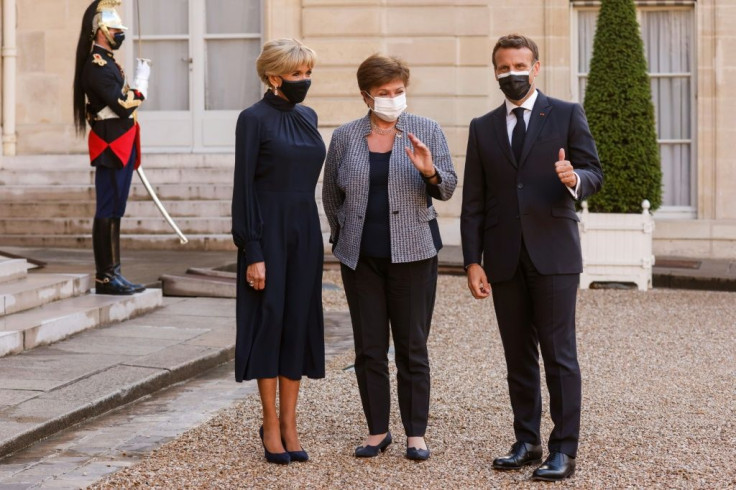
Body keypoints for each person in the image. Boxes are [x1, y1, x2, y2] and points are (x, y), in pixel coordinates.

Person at [460, 34, 603, 481]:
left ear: (536, 67)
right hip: (502, 259)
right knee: (517, 356)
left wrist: (573, 176)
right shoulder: (482, 127)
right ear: (495, 71)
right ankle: (526, 440)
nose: (512, 74)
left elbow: (594, 172)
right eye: (503, 67)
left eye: (520, 66)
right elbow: (474, 202)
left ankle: (564, 449)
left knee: (559, 354)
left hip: (554, 255)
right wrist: (472, 260)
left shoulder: (565, 114)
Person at [323, 54, 457, 461]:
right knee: (369, 348)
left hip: (414, 254)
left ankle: (415, 434)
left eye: (399, 92)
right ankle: (377, 431)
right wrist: (341, 237)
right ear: (366, 96)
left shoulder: (426, 129)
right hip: (361, 258)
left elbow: (448, 187)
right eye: (384, 93)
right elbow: (331, 194)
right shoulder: (345, 136)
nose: (393, 99)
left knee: (413, 346)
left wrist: (430, 171)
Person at [231, 39, 325, 465]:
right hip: (266, 233)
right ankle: (269, 422)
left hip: (304, 230)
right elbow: (244, 186)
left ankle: (291, 423)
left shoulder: (309, 117)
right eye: (297, 74)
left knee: (298, 323)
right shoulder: (252, 119)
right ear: (273, 77)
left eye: (308, 73)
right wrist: (252, 248)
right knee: (269, 321)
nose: (304, 81)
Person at [73, 0, 151, 295]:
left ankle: (114, 272)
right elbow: (121, 105)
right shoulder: (96, 65)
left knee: (116, 208)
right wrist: (141, 85)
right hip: (111, 143)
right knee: (107, 208)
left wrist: (133, 91)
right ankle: (105, 276)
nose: (120, 33)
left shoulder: (107, 62)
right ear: (101, 30)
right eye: (116, 29)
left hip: (121, 140)